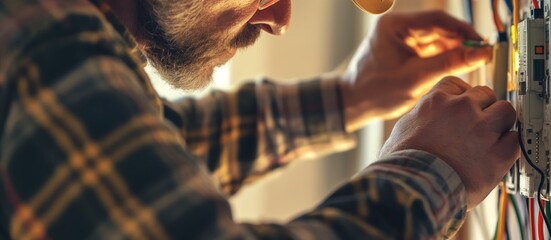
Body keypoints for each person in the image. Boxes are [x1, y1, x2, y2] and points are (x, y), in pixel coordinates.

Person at [0, 0, 519, 239]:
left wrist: (350, 95)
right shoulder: (47, 49)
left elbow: (147, 161)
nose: (280, 20)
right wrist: (436, 167)